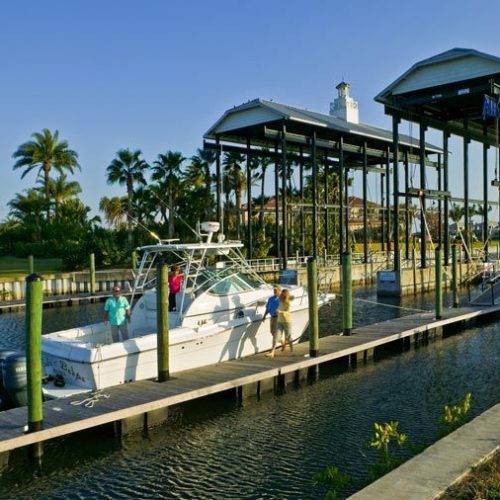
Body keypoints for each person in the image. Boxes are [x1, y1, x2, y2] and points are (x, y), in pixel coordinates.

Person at [262, 286, 281, 358]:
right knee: (272, 333)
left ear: (280, 291)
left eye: (276, 291)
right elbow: (267, 308)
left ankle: (272, 352)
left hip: (278, 318)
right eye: (274, 291)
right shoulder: (271, 299)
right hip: (272, 317)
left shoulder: (280, 299)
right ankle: (282, 341)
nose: (275, 292)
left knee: (275, 335)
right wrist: (264, 316)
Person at [277, 289, 293, 354]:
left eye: (282, 294)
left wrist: (281, 311)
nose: (281, 295)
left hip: (287, 321)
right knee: (277, 337)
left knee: (288, 336)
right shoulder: (280, 301)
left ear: (285, 295)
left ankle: (291, 349)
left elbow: (288, 311)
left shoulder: (288, 303)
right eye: (281, 294)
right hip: (280, 321)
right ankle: (283, 343)